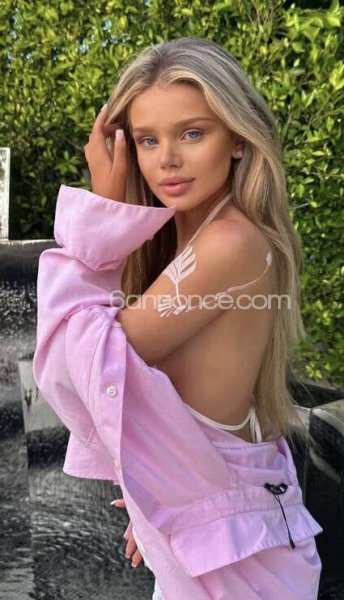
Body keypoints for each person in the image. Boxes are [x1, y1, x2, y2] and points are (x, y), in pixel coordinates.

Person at [33, 37, 323, 599]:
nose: (166, 159)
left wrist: (99, 216)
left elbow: (80, 364)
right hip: (221, 533)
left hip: (239, 566)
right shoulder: (189, 242)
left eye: (192, 133)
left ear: (237, 139)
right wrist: (169, 502)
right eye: (147, 139)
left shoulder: (228, 243)